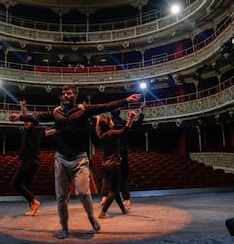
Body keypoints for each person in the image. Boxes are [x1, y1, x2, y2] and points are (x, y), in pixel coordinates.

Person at [9, 84, 142, 239]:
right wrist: (20, 117)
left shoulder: (83, 109)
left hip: (80, 158)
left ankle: (91, 217)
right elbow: (37, 117)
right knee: (61, 197)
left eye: (69, 93)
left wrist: (127, 99)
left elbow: (106, 106)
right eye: (64, 93)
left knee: (84, 193)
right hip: (61, 158)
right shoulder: (56, 112)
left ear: (75, 96)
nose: (65, 95)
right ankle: (64, 227)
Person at [10, 99, 55, 216]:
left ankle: (34, 202)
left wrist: (23, 107)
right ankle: (33, 210)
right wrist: (62, 128)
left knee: (15, 184)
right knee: (27, 185)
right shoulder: (40, 133)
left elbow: (26, 119)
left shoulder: (30, 130)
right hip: (35, 162)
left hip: (28, 161)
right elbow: (51, 132)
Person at [100, 104, 145, 209]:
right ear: (120, 112)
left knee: (106, 176)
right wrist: (141, 113)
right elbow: (138, 124)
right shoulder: (124, 123)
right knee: (123, 176)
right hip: (123, 151)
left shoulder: (107, 125)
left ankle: (104, 196)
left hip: (109, 153)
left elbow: (97, 124)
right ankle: (126, 199)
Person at [96, 110, 136, 219]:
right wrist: (131, 118)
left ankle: (123, 209)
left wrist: (98, 120)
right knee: (114, 190)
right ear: (109, 124)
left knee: (115, 188)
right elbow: (125, 131)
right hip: (114, 164)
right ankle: (103, 212)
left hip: (106, 164)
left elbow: (97, 128)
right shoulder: (112, 133)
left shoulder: (101, 134)